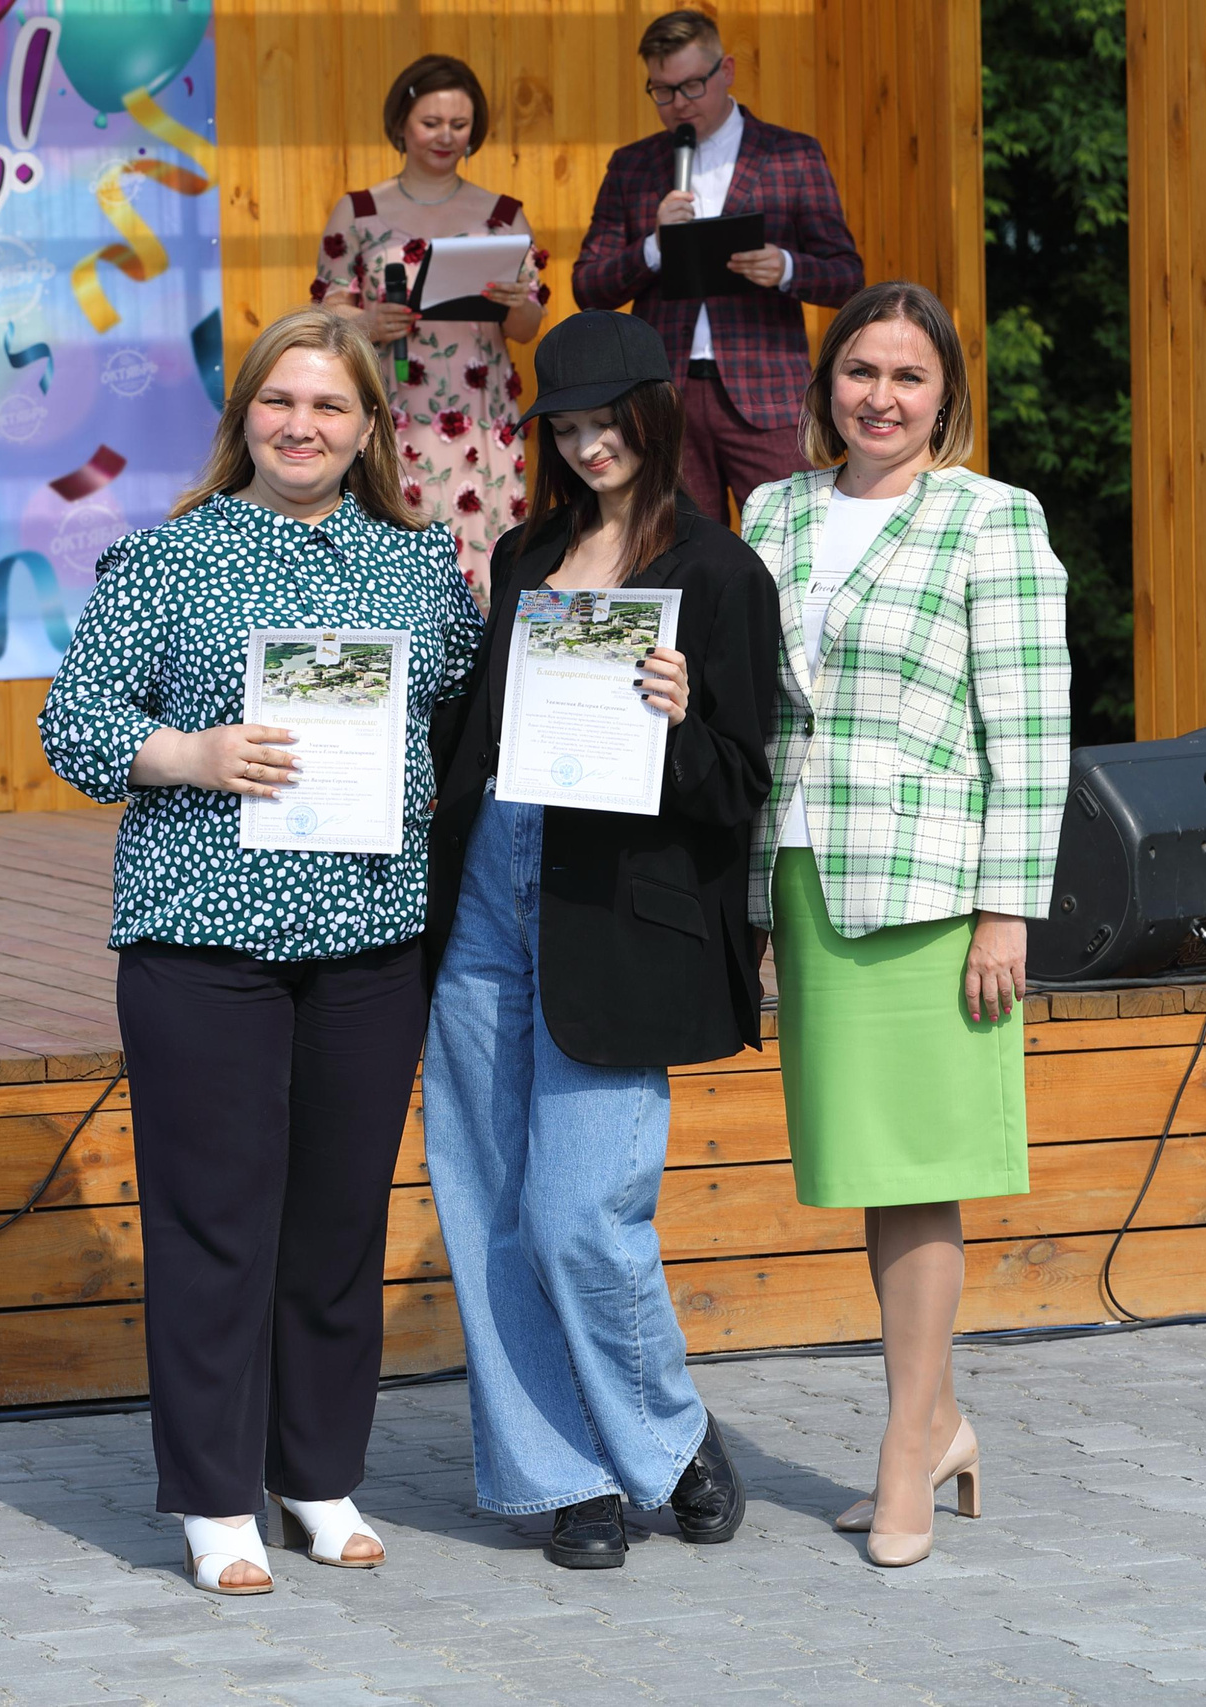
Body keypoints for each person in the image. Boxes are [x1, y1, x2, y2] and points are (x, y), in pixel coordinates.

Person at [38, 309, 484, 1596]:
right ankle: (216, 1500)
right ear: (245, 417)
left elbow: (464, 715)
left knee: (338, 1224)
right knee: (216, 1224)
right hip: (202, 938)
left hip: (365, 939)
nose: (304, 426)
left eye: (331, 408)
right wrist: (192, 754)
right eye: (282, 403)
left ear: (368, 431)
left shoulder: (414, 566)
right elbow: (76, 726)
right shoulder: (169, 556)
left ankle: (316, 1475)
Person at [422, 311, 779, 1570]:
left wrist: (679, 723)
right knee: (487, 1208)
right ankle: (559, 1476)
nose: (586, 446)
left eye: (604, 422)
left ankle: (671, 1440)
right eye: (563, 428)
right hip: (485, 902)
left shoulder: (721, 574)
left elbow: (739, 783)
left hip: (615, 923)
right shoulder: (524, 554)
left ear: (656, 416)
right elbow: (476, 735)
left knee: (581, 1212)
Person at [741, 281, 1069, 1569]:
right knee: (860, 1168)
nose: (880, 397)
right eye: (859, 371)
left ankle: (907, 1444)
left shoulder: (992, 519)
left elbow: (1030, 732)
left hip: (933, 891)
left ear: (946, 397)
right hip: (807, 876)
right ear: (826, 383)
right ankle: (935, 1423)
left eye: (908, 378)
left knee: (917, 1166)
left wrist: (1007, 912)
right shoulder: (772, 510)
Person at [572, 8, 864, 523]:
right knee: (680, 554)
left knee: (793, 541)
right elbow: (588, 286)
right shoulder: (633, 165)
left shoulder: (791, 155)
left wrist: (787, 267)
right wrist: (653, 246)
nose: (678, 104)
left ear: (726, 70)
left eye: (690, 86)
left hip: (767, 394)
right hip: (665, 395)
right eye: (661, 91)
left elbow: (847, 276)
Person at [314, 54, 548, 597]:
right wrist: (368, 321)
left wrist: (517, 299)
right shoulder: (360, 210)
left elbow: (526, 327)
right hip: (387, 410)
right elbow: (327, 311)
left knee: (487, 558)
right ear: (401, 123)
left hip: (480, 417)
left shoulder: (502, 214)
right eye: (431, 123)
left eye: (459, 125)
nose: (446, 137)